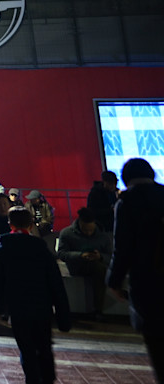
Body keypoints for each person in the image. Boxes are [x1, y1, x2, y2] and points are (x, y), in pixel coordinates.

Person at [0, 207, 72, 384]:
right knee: (44, 346)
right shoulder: (41, 249)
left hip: (18, 308)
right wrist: (63, 316)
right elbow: (55, 283)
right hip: (41, 307)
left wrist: (4, 308)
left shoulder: (3, 249)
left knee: (26, 348)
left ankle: (32, 379)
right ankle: (47, 378)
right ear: (31, 225)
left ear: (10, 224)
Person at [108, 158, 164, 375]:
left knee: (157, 342)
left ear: (126, 179)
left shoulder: (126, 202)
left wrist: (114, 281)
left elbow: (122, 247)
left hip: (148, 281)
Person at [57, 207, 113, 316]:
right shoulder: (67, 233)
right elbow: (62, 254)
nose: (88, 233)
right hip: (77, 266)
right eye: (85, 230)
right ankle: (98, 310)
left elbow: (110, 256)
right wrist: (80, 255)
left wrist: (100, 256)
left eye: (91, 230)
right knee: (99, 269)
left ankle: (98, 308)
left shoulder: (103, 236)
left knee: (99, 268)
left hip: (97, 265)